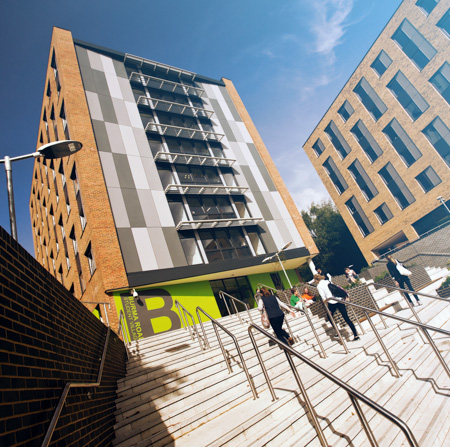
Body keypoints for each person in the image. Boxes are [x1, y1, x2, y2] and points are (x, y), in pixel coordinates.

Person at [314, 273, 360, 341]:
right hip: (339, 299)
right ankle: (356, 335)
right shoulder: (327, 281)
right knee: (346, 318)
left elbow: (323, 298)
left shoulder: (319, 286)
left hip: (332, 302)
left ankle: (338, 331)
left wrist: (326, 304)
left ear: (316, 280)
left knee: (329, 317)